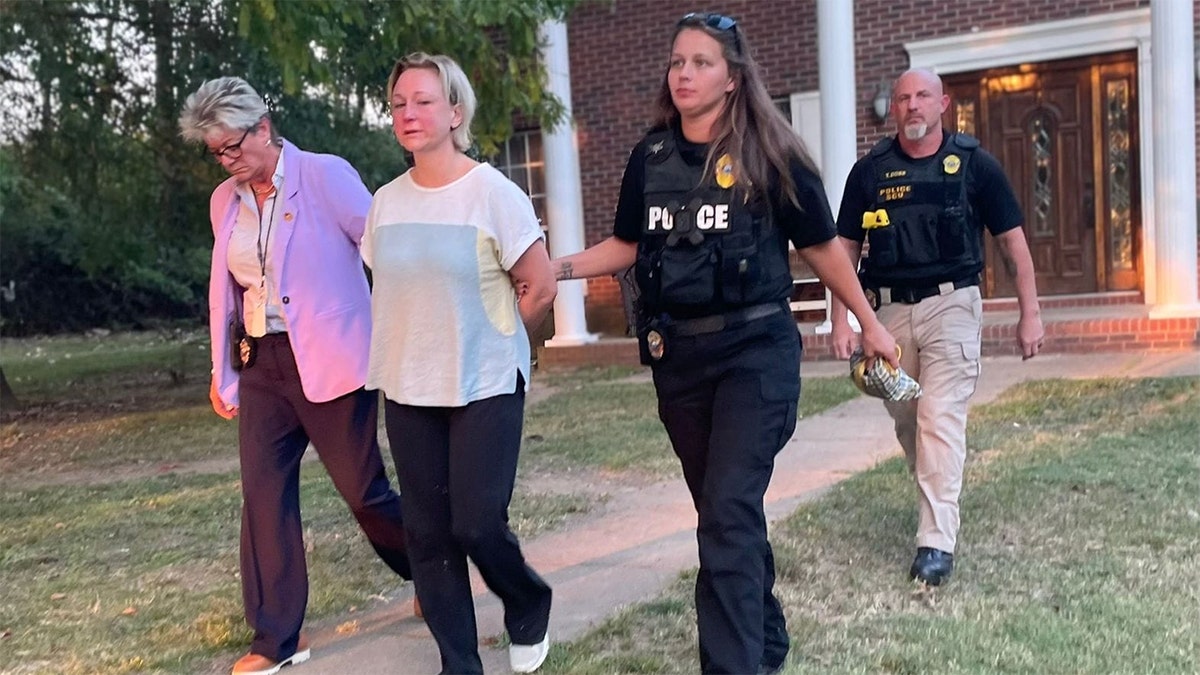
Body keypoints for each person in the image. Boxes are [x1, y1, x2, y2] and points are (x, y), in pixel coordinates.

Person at [550, 14, 897, 674]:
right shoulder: (650, 157)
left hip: (755, 353)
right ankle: (765, 642)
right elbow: (627, 244)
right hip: (678, 361)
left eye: (701, 62)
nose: (683, 73)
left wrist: (869, 322)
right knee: (724, 510)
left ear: (734, 77)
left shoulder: (772, 153)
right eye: (677, 61)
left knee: (726, 513)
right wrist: (556, 269)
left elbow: (822, 247)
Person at [178, 76, 415, 675]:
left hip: (334, 359)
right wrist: (222, 369)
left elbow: (382, 247)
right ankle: (275, 638)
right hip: (262, 364)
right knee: (262, 497)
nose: (228, 161)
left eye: (233, 145)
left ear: (262, 126)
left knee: (365, 493)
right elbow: (227, 291)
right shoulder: (223, 201)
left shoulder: (324, 175)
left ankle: (433, 570)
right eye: (216, 152)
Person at [362, 53, 557, 675]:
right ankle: (459, 663)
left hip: (484, 384)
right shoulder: (385, 203)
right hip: (408, 385)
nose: (409, 114)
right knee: (427, 533)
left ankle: (527, 600)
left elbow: (540, 284)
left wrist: (503, 344)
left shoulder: (492, 192)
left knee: (475, 522)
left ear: (454, 112)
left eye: (423, 101)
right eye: (399, 104)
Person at [830, 68, 1044, 587]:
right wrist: (842, 318)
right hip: (888, 317)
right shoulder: (869, 172)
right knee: (910, 423)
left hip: (953, 305)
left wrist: (1029, 312)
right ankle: (937, 500)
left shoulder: (975, 165)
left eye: (922, 96)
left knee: (939, 419)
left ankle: (935, 543)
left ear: (943, 103)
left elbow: (1013, 242)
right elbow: (844, 250)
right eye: (902, 98)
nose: (911, 106)